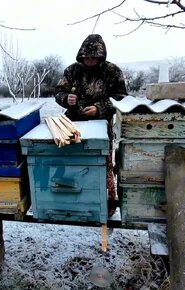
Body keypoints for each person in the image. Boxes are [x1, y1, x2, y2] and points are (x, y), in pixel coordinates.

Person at [55, 34, 128, 216]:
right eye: (86, 57)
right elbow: (58, 92)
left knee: (105, 166)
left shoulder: (112, 72)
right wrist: (66, 99)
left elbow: (121, 98)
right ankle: (78, 203)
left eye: (93, 57)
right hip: (73, 127)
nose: (89, 61)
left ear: (101, 56)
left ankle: (110, 207)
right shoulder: (72, 71)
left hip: (101, 128)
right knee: (76, 166)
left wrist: (99, 108)